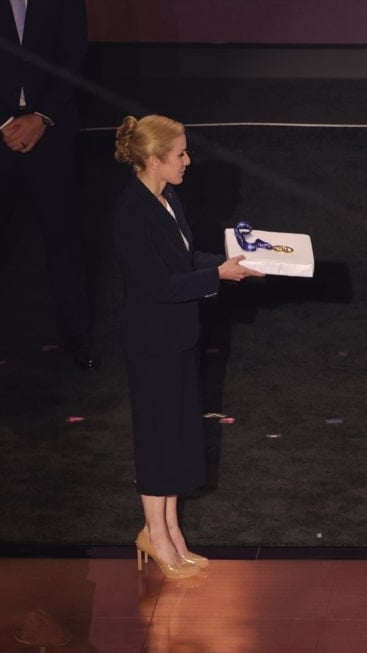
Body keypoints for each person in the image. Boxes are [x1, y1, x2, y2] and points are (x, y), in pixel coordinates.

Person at [112, 114, 263, 579]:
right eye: (180, 154)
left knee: (176, 435)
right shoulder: (131, 211)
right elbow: (159, 283)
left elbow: (183, 259)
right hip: (152, 341)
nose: (187, 161)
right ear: (154, 160)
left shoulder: (167, 198)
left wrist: (232, 264)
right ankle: (154, 533)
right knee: (157, 437)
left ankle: (172, 531)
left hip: (178, 335)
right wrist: (217, 275)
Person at [0, 0, 99, 377]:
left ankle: (78, 337)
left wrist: (41, 117)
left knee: (65, 242)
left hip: (50, 133)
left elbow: (73, 52)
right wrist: (5, 122)